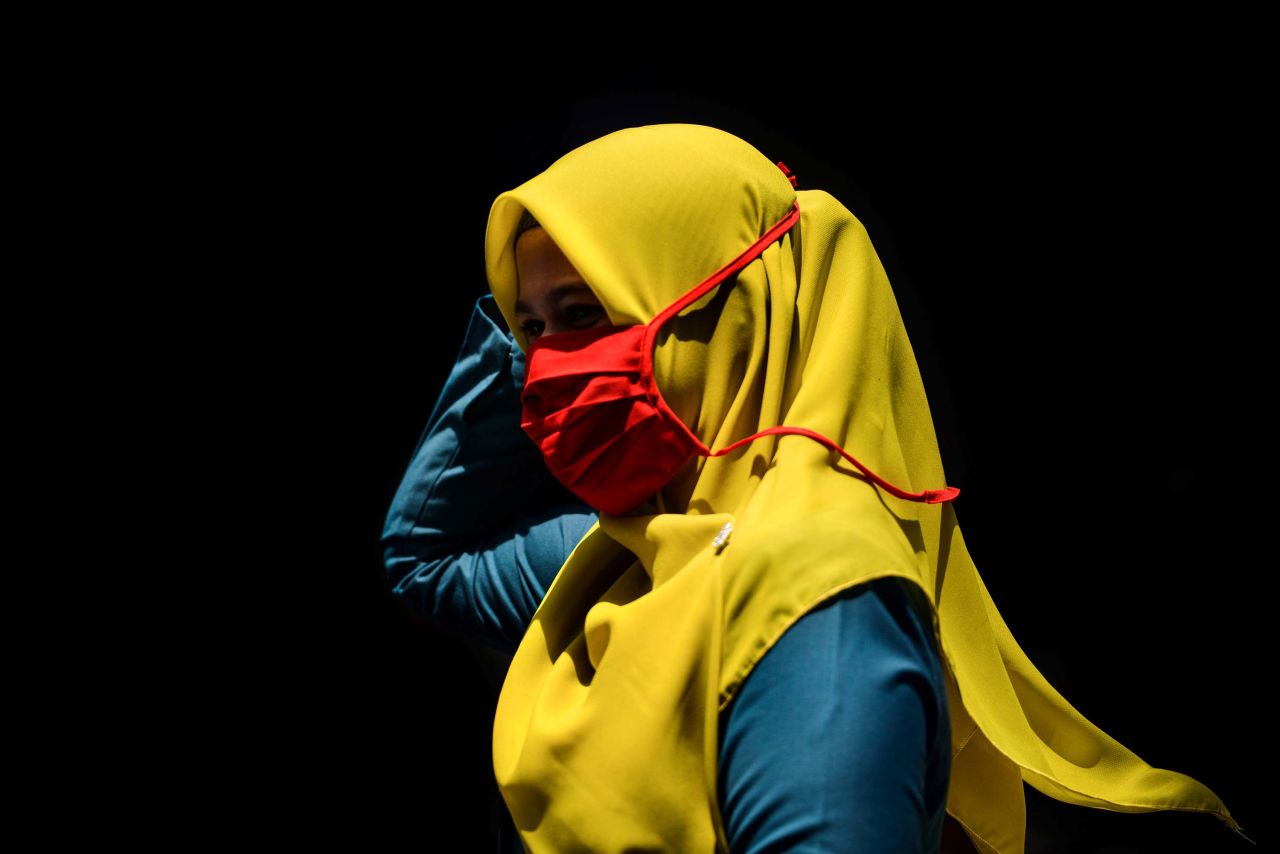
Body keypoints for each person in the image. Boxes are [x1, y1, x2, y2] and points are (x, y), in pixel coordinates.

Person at [382, 124, 1246, 853]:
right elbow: (427, 557)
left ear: (737, 312)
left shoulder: (820, 598)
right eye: (531, 328)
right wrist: (512, 336)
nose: (547, 375)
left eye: (585, 314)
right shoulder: (633, 552)